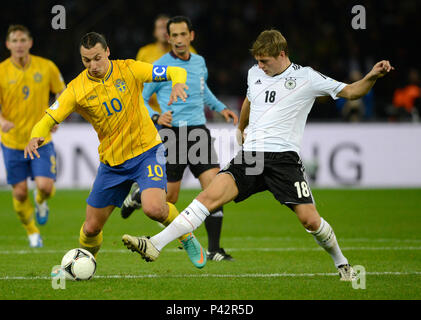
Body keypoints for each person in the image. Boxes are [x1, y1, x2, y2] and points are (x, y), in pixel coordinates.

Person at [121, 29, 394, 281]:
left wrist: (371, 76)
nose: (260, 66)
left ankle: (341, 262)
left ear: (282, 55)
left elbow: (350, 91)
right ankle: (155, 244)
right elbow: (251, 100)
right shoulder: (255, 73)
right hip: (251, 156)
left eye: (265, 61)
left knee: (310, 220)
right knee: (208, 197)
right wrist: (240, 127)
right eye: (258, 61)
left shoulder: (307, 77)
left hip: (284, 160)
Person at [24, 32, 207, 269]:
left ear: (107, 51)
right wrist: (34, 136)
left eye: (97, 58)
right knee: (90, 228)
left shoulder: (129, 69)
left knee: (154, 208)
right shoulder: (77, 89)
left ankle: (187, 235)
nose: (93, 65)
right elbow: (49, 117)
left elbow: (173, 71)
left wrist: (179, 82)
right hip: (112, 164)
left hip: (146, 152)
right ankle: (86, 264)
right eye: (86, 60)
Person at [121, 16, 238, 261]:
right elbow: (139, 98)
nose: (178, 39)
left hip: (198, 132)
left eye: (182, 34)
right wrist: (155, 115)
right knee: (169, 198)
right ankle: (138, 195)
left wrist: (221, 108)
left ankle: (214, 249)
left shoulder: (199, 62)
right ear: (168, 38)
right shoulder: (160, 66)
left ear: (191, 36)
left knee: (216, 187)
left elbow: (203, 91)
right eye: (173, 35)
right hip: (171, 134)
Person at [0, 25, 66, 248]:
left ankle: (40, 203)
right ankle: (32, 232)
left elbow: (63, 93)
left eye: (22, 40)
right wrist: (1, 121)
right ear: (8, 45)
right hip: (12, 142)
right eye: (14, 40)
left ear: (30, 43)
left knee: (45, 187)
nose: (19, 44)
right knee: (19, 194)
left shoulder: (46, 67)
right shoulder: (1, 71)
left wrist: (55, 116)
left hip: (40, 139)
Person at [136, 14, 197, 113]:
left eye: (167, 27)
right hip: (152, 113)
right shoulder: (145, 53)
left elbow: (196, 80)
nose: (164, 31)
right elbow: (138, 81)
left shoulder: (188, 51)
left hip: (180, 111)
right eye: (160, 28)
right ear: (154, 32)